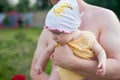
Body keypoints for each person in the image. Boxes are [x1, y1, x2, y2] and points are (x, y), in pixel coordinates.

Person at [30, 0, 120, 80]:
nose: (53, 36)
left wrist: (73, 63)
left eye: (58, 33)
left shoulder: (105, 17)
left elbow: (118, 69)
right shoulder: (50, 27)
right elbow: (35, 72)